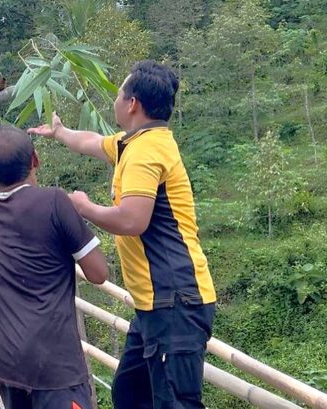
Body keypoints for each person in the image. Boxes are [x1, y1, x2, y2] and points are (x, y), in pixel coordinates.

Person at [28, 60, 217, 409]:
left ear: (132, 104)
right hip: (154, 305)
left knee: (174, 403)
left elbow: (132, 220)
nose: (115, 101)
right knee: (130, 393)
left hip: (174, 300)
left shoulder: (147, 151)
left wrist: (83, 207)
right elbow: (92, 141)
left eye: (119, 94)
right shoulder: (136, 141)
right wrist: (60, 132)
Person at [0, 125, 108, 409]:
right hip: (52, 361)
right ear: (35, 159)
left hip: (4, 355)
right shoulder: (54, 201)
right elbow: (99, 273)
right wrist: (81, 208)